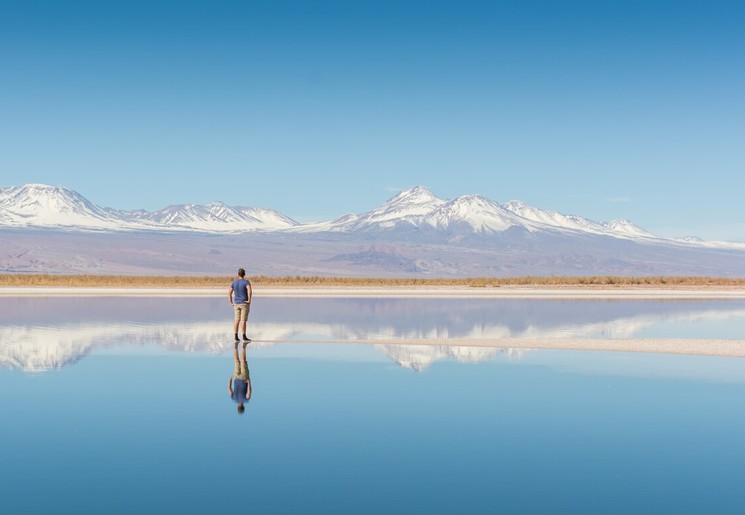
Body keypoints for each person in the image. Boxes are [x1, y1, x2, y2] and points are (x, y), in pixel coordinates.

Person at [229, 268, 252, 343]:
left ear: (238, 274)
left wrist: (231, 302)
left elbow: (229, 293)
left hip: (236, 304)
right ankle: (244, 336)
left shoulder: (234, 283)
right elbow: (249, 291)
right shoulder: (246, 282)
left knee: (236, 320)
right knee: (243, 320)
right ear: (244, 274)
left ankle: (236, 337)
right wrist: (249, 300)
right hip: (244, 303)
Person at [228, 339, 252, 414]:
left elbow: (249, 392)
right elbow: (229, 389)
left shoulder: (246, 400)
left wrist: (249, 382)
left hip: (244, 379)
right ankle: (235, 345)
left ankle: (244, 346)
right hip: (236, 378)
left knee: (243, 361)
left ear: (243, 407)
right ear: (238, 407)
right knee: (236, 361)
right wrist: (230, 380)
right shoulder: (234, 399)